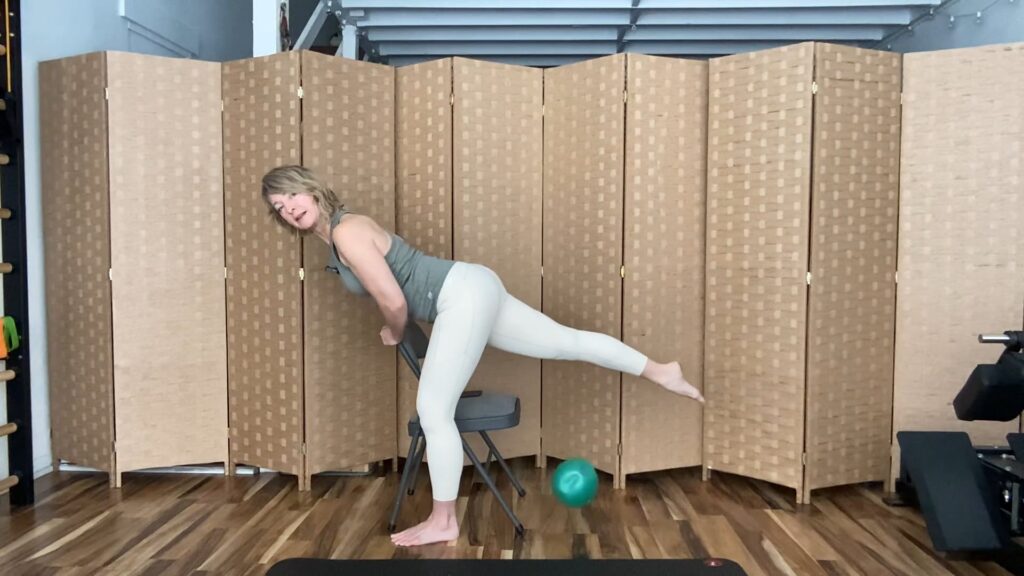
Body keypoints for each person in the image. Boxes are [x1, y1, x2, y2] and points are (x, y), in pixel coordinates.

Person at [261, 165, 704, 547]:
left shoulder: (345, 231)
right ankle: (661, 371)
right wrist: (398, 325)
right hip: (472, 287)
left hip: (461, 296)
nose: (290, 208)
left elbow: (394, 301)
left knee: (434, 410)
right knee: (563, 341)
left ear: (311, 188)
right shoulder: (335, 236)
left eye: (292, 196)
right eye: (279, 207)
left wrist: (394, 331)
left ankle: (443, 520)